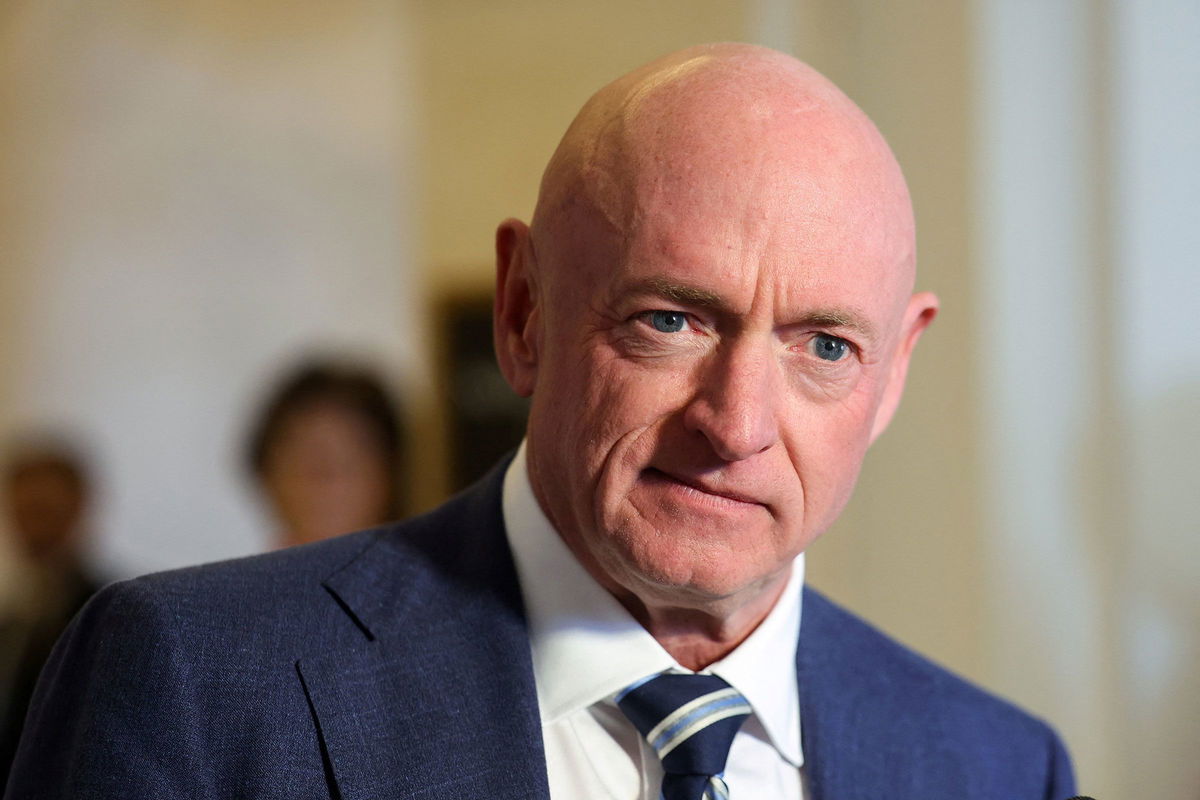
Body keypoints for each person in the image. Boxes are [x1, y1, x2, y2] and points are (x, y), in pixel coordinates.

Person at [5, 44, 1077, 799]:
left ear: (893, 374)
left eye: (825, 346)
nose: (737, 422)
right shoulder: (198, 683)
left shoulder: (996, 767)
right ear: (523, 313)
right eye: (672, 319)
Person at [0, 439, 100, 787]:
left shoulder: (109, 609)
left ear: (78, 508)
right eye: (24, 512)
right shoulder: (11, 618)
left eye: (46, 512)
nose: (35, 529)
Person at [243, 360, 406, 548]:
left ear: (390, 472)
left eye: (347, 458)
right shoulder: (240, 576)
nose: (324, 475)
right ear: (266, 474)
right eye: (302, 457)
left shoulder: (430, 573)